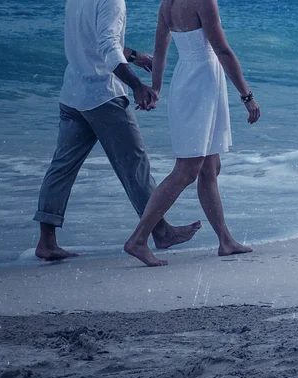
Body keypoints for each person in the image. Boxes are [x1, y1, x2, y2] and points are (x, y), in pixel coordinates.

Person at [34, 0, 202, 262]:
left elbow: (93, 40)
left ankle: (46, 241)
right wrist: (136, 85)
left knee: (61, 166)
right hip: (103, 95)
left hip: (73, 92)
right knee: (135, 166)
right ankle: (160, 231)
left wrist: (134, 56)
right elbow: (107, 46)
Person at [123, 0, 261, 267]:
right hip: (202, 85)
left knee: (210, 167)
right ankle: (138, 239)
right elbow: (222, 50)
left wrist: (157, 88)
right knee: (187, 170)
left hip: (189, 82)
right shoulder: (203, 2)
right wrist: (247, 96)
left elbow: (160, 51)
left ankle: (225, 240)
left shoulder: (167, 4)